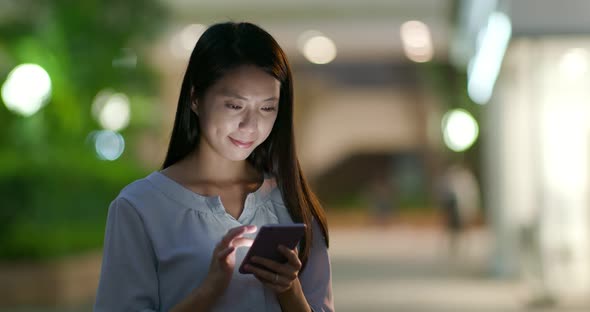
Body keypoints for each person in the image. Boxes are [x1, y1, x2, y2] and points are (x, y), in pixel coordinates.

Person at [93, 22, 333, 312]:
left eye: (267, 108)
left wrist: (289, 291)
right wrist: (208, 292)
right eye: (234, 106)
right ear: (195, 98)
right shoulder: (140, 208)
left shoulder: (294, 203)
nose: (250, 125)